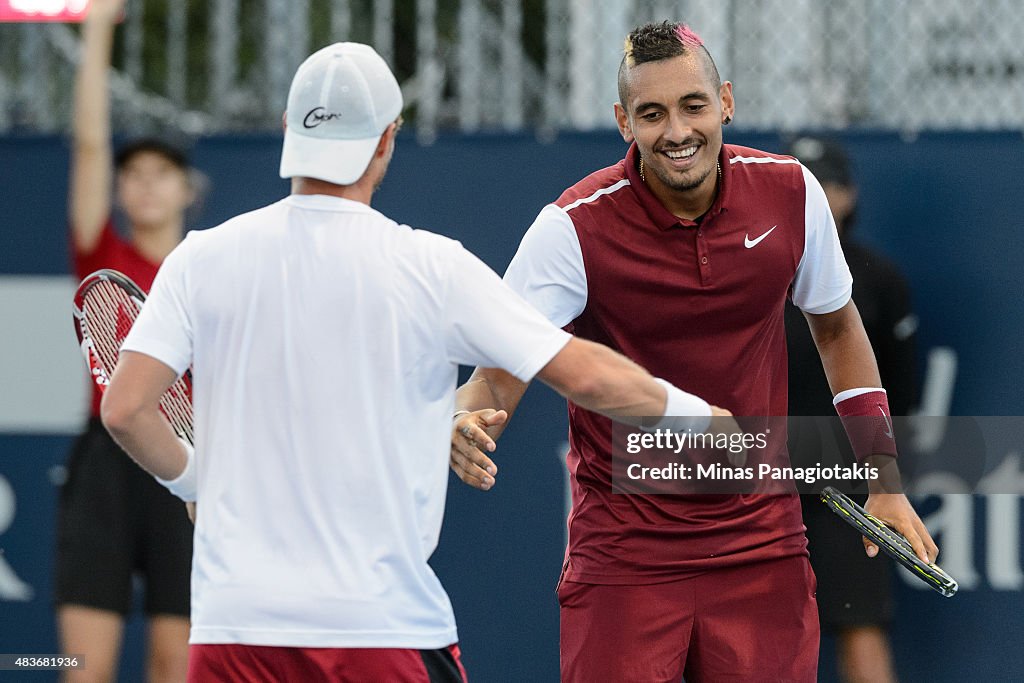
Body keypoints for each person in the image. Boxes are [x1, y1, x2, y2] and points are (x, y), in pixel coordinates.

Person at [97, 41, 732, 682]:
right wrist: (699, 417)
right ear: (387, 140)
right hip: (380, 634)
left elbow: (125, 410)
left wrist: (195, 480)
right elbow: (585, 374)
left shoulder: (199, 258)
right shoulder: (429, 266)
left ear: (290, 132)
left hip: (233, 634)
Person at [448, 21, 937, 682]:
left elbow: (837, 327)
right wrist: (466, 415)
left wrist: (882, 475)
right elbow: (497, 374)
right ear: (624, 121)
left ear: (726, 101)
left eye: (693, 105)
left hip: (763, 544)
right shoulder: (571, 228)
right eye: (652, 113)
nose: (676, 131)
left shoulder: (792, 194)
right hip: (624, 555)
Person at [57, 1, 194, 681]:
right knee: (83, 665)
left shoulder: (208, 267)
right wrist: (96, 24)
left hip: (185, 465)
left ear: (187, 190)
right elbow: (88, 142)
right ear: (117, 189)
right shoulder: (102, 256)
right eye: (130, 173)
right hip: (106, 467)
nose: (143, 184)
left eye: (158, 173)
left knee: (176, 665)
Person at [786, 136, 918, 683]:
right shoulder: (755, 263)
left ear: (847, 194)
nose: (814, 194)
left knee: (859, 621)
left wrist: (879, 466)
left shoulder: (879, 277)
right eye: (800, 181)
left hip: (847, 477)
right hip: (754, 467)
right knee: (754, 632)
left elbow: (900, 388)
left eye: (825, 182)